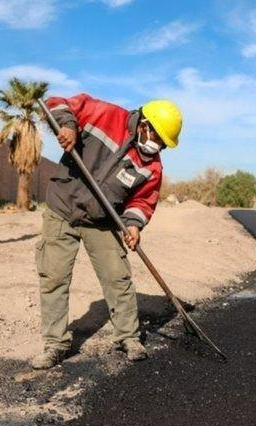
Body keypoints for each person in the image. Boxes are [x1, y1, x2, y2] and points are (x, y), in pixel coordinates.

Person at [31, 94, 182, 370]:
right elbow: (60, 103)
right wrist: (68, 127)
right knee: (53, 277)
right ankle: (55, 345)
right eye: (157, 138)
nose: (157, 146)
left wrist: (134, 224)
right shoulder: (107, 115)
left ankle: (128, 337)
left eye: (163, 144)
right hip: (63, 208)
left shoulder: (152, 166)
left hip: (103, 221)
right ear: (145, 124)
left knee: (118, 277)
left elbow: (142, 201)